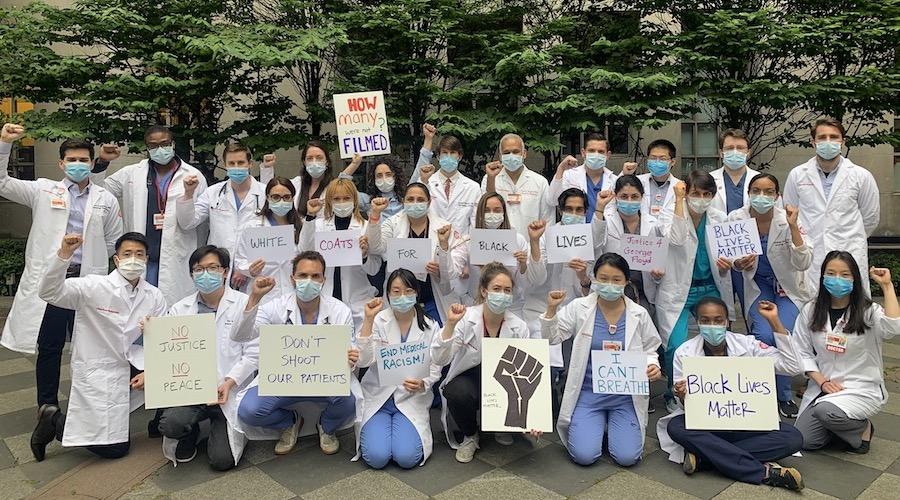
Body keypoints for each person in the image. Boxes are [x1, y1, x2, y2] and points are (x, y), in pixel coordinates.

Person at [0, 124, 123, 433]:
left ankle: (90, 406)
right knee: (50, 345)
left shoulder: (105, 199)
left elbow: (113, 240)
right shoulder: (43, 190)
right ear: (61, 164)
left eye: (83, 159)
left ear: (92, 163)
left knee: (89, 346)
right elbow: (2, 182)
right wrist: (4, 144)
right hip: (55, 281)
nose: (78, 164)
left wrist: (92, 261)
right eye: (72, 159)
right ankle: (47, 407)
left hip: (86, 284)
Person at [31, 233, 167, 461]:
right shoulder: (93, 286)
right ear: (116, 260)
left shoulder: (154, 295)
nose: (133, 259)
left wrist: (150, 372)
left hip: (129, 361)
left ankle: (160, 424)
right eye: (127, 254)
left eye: (139, 254)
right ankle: (54, 420)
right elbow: (48, 292)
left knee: (168, 375)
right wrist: (64, 254)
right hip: (98, 369)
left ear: (146, 259)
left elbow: (162, 340)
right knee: (116, 450)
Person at [657, 297, 805, 491]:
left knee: (793, 437)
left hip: (747, 423)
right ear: (697, 321)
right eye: (705, 320)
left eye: (718, 320)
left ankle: (705, 458)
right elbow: (686, 405)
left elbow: (793, 366)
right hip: (709, 426)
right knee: (676, 427)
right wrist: (682, 395)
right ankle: (764, 472)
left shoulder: (748, 345)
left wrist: (775, 322)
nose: (712, 326)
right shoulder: (685, 352)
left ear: (727, 321)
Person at [542, 253, 662, 467]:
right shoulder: (580, 307)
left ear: (626, 281)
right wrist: (551, 310)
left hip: (625, 397)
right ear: (594, 279)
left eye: (616, 280)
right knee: (584, 456)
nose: (609, 284)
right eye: (603, 279)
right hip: (588, 394)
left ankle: (613, 428)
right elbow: (552, 337)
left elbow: (651, 347)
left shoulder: (639, 314)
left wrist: (652, 366)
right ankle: (594, 427)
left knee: (627, 458)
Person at [236, 251, 358, 455]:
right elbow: (241, 334)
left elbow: (351, 350)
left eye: (315, 276)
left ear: (323, 280)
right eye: (302, 276)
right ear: (292, 278)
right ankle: (289, 422)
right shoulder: (274, 307)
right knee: (249, 411)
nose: (308, 281)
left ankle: (326, 427)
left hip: (324, 381)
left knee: (349, 403)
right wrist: (255, 297)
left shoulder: (339, 310)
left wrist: (352, 358)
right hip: (284, 381)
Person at [781, 252, 899, 454]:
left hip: (861, 388)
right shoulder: (811, 310)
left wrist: (887, 286)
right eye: (831, 273)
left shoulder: (868, 311)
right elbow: (800, 350)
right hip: (825, 388)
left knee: (825, 411)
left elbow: (893, 328)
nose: (837, 279)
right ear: (822, 276)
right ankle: (839, 427)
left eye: (845, 274)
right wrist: (822, 382)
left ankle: (863, 428)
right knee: (805, 441)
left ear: (855, 278)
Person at [156, 245, 261, 470]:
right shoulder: (179, 309)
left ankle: (216, 426)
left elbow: (253, 353)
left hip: (227, 390)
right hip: (191, 388)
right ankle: (189, 433)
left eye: (212, 268)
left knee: (222, 461)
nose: (205, 274)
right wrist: (151, 331)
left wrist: (230, 382)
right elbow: (169, 352)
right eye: (199, 269)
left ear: (225, 271)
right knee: (171, 423)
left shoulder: (245, 304)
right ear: (192, 274)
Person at [432, 263, 539, 463]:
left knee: (509, 383)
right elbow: (440, 358)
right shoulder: (466, 319)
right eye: (496, 289)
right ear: (484, 291)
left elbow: (526, 373)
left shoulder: (519, 327)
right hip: (471, 378)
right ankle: (470, 435)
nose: (503, 294)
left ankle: (502, 423)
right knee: (457, 391)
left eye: (507, 290)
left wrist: (532, 417)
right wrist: (450, 325)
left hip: (503, 381)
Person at [90, 125, 208, 305]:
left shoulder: (193, 175)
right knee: (140, 310)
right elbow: (100, 192)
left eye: (165, 144)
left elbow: (201, 222)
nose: (160, 149)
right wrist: (102, 163)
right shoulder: (132, 173)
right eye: (153, 146)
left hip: (178, 255)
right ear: (147, 148)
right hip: (143, 255)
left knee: (174, 311)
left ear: (173, 144)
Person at [728, 173, 812, 418]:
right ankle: (762, 391)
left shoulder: (788, 219)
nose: (761, 196)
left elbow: (804, 261)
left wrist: (794, 227)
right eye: (756, 191)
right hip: (758, 284)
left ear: (777, 195)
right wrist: (738, 263)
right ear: (748, 193)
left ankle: (783, 395)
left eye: (768, 192)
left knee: (783, 334)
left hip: (788, 287)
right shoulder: (737, 218)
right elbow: (730, 257)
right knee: (763, 334)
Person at [655, 172, 734, 413]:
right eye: (695, 194)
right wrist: (679, 201)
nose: (701, 199)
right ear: (685, 192)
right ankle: (673, 391)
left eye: (706, 194)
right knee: (675, 344)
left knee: (717, 340)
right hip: (678, 289)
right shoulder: (667, 215)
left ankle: (717, 389)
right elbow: (677, 239)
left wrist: (726, 265)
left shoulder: (721, 219)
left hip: (710, 287)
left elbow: (728, 255)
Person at [355, 270, 443, 468]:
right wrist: (368, 320)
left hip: (411, 398)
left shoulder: (430, 325)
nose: (402, 296)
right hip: (379, 398)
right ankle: (385, 433)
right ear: (388, 294)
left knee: (406, 458)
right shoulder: (378, 320)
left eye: (408, 290)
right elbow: (364, 360)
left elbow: (436, 363)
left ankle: (399, 436)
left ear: (417, 293)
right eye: (396, 291)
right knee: (377, 458)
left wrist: (424, 383)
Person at [783, 117, 880, 295]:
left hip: (849, 249)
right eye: (822, 137)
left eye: (834, 137)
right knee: (814, 311)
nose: (828, 141)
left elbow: (870, 218)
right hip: (812, 253)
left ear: (843, 141)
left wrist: (849, 237)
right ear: (813, 142)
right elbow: (790, 216)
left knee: (854, 309)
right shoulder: (797, 175)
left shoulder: (861, 176)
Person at [365, 182, 462, 325]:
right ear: (403, 201)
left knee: (434, 340)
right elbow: (375, 247)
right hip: (401, 300)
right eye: (410, 199)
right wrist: (375, 215)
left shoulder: (444, 228)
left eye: (420, 200)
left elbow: (453, 271)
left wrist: (440, 269)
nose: (415, 203)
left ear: (429, 203)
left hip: (432, 299)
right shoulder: (393, 223)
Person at [176, 143, 266, 288]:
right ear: (225, 164)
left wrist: (245, 269)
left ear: (250, 163)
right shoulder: (213, 193)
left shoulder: (265, 194)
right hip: (218, 268)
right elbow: (188, 222)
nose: (236, 167)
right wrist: (188, 194)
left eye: (241, 162)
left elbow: (270, 235)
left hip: (254, 268)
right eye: (231, 163)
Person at [298, 178, 381, 331]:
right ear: (329, 202)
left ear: (355, 200)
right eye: (336, 199)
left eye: (346, 198)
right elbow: (303, 250)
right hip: (325, 299)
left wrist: (364, 256)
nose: (341, 202)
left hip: (358, 300)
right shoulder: (319, 225)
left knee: (357, 351)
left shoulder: (365, 227)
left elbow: (374, 269)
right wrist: (310, 216)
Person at [453, 192, 547, 318]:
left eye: (497, 210)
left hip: (511, 306)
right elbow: (452, 271)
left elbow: (526, 284)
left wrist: (523, 265)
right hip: (477, 304)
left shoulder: (517, 240)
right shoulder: (468, 242)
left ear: (504, 213)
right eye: (487, 210)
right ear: (480, 214)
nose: (492, 214)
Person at [594, 175, 666, 315]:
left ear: (642, 197)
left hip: (643, 291)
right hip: (612, 288)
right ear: (615, 197)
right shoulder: (606, 221)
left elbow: (659, 261)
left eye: (634, 196)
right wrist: (599, 208)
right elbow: (596, 244)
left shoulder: (654, 225)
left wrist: (657, 276)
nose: (629, 201)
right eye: (624, 196)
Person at [233, 177, 302, 303]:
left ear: (293, 198)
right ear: (268, 198)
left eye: (286, 197)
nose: (281, 201)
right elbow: (240, 261)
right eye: (275, 197)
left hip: (292, 293)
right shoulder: (253, 226)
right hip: (262, 295)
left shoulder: (300, 227)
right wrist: (250, 269)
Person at [259, 143, 363, 219]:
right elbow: (270, 190)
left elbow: (342, 181)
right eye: (309, 158)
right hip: (296, 236)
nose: (314, 162)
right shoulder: (296, 183)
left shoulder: (332, 187)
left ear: (327, 161)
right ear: (304, 162)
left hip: (324, 240)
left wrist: (354, 164)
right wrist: (267, 168)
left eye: (319, 158)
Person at [548, 133, 636, 221]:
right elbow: (553, 201)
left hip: (605, 231)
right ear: (583, 153)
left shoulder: (614, 180)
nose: (596, 155)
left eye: (601, 152)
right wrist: (561, 169)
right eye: (591, 151)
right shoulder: (569, 175)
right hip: (576, 231)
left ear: (608, 155)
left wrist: (626, 175)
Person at [411, 123, 481, 235]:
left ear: (460, 156)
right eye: (445, 153)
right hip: (432, 244)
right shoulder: (425, 183)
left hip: (461, 246)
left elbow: (475, 224)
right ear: (438, 156)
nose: (448, 156)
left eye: (452, 153)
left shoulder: (473, 187)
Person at [482, 133, 552, 236]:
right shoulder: (490, 178)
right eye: (506, 152)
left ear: (524, 154)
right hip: (498, 245)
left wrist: (535, 248)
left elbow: (547, 220)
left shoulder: (540, 182)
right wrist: (491, 179)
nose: (511, 156)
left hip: (530, 246)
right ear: (500, 156)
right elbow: (483, 210)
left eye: (515, 152)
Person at [709, 129, 761, 215]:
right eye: (729, 148)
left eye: (740, 148)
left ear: (748, 152)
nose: (735, 152)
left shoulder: (759, 179)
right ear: (721, 153)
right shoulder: (709, 179)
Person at [636, 139, 681, 230]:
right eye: (653, 158)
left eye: (662, 159)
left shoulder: (680, 187)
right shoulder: (637, 182)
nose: (657, 162)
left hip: (669, 237)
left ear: (672, 162)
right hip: (641, 238)